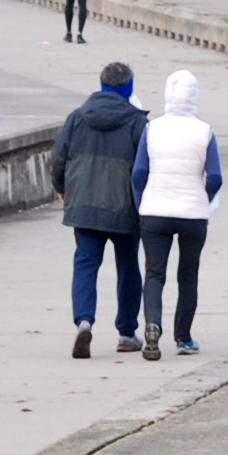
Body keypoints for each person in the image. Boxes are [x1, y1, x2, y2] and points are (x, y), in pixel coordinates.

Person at [53, 61, 148, 357]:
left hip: (83, 205)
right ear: (129, 88)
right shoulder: (137, 122)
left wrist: (62, 189)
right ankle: (127, 333)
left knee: (85, 263)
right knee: (128, 268)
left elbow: (59, 157)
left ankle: (84, 321)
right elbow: (145, 168)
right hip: (124, 208)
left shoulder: (77, 118)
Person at [132, 69, 220, 359]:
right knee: (188, 275)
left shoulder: (152, 128)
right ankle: (183, 337)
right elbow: (215, 177)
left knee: (154, 274)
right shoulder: (205, 131)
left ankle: (152, 325)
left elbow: (140, 172)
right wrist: (203, 199)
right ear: (195, 97)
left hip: (155, 211)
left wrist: (141, 201)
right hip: (193, 214)